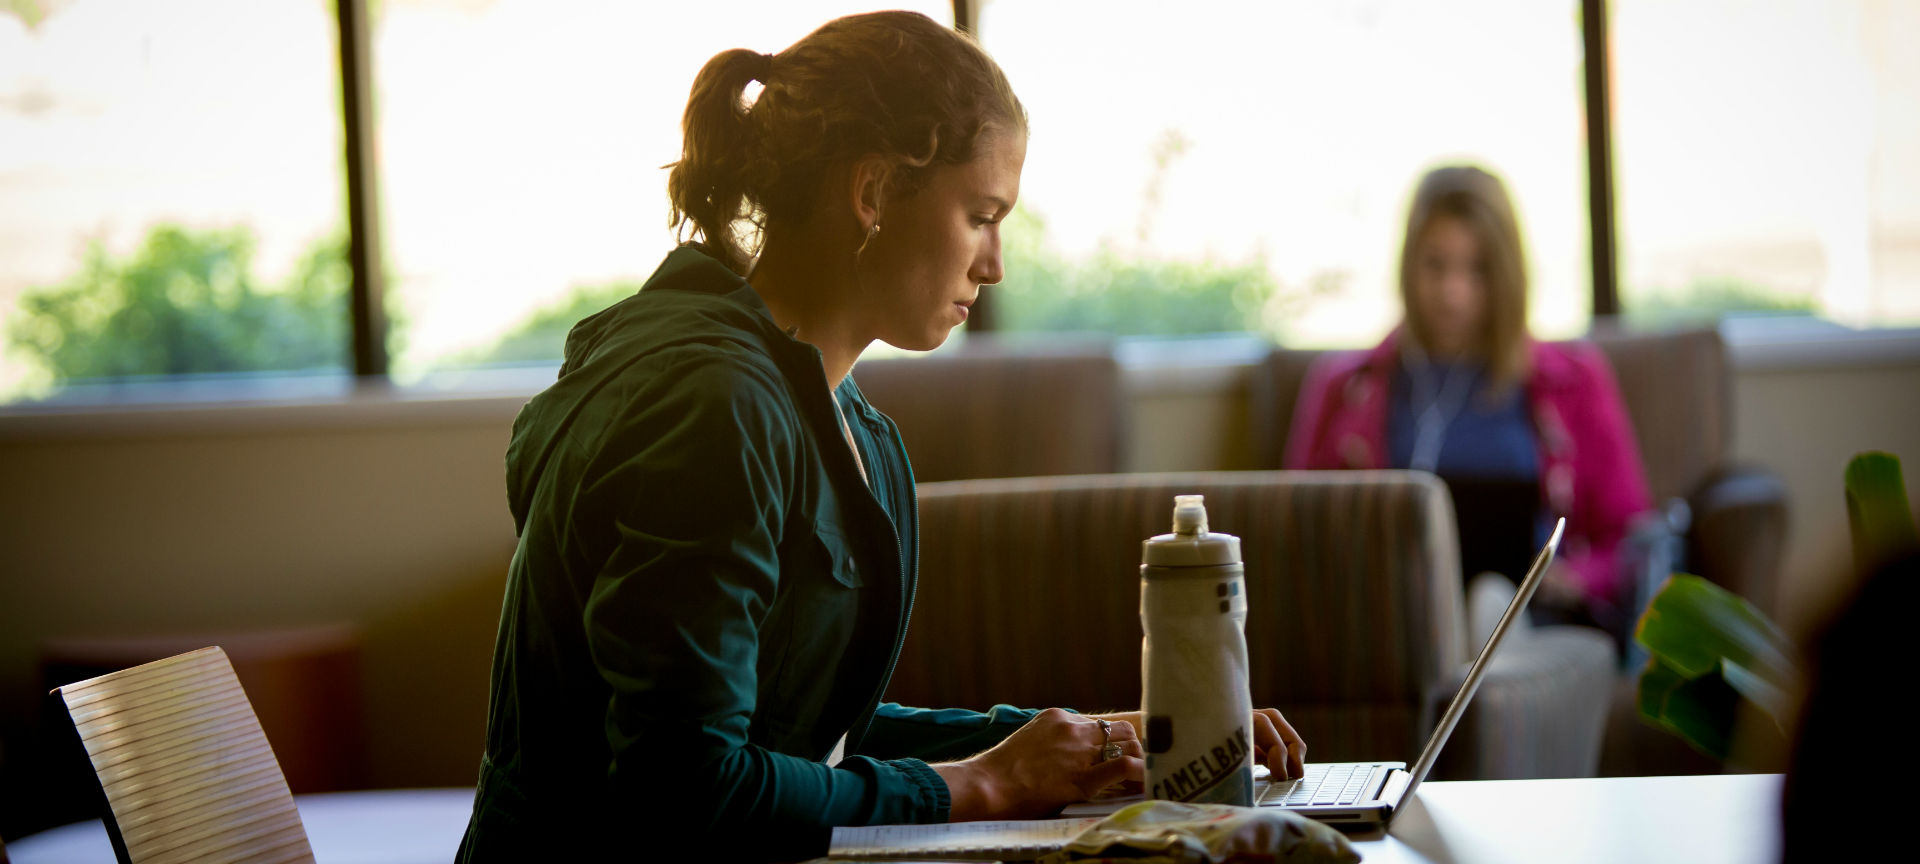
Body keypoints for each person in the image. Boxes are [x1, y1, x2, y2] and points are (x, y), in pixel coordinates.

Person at [456, 12, 1306, 862]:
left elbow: (809, 738)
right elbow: (684, 784)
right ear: (872, 193)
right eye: (981, 214)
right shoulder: (712, 405)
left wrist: (1090, 743)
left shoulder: (848, 426)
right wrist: (983, 783)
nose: (995, 264)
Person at [1284, 165, 1652, 638]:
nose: (1452, 292)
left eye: (1476, 269)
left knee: (1491, 616)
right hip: (1391, 622)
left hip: (1538, 624)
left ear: (1506, 274)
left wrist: (1574, 579)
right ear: (1408, 264)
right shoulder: (1343, 387)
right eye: (1435, 265)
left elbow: (1632, 539)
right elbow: (1296, 532)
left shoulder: (1575, 382)